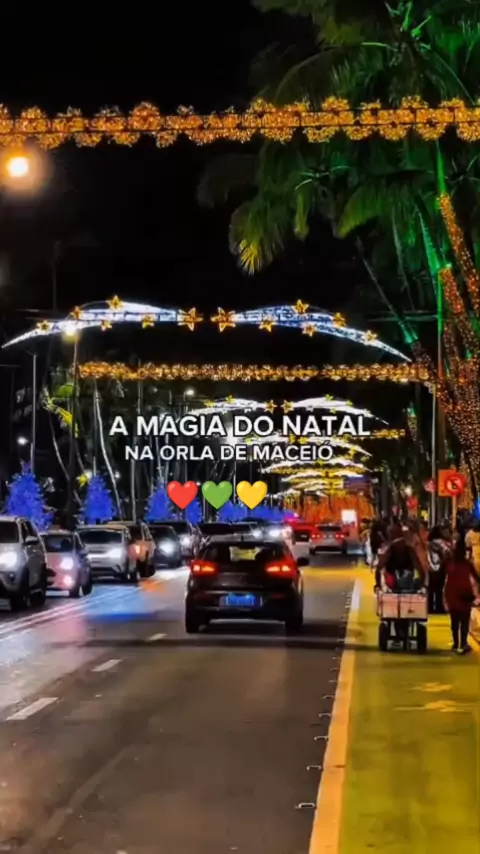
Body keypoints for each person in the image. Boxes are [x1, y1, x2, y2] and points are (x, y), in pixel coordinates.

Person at [443, 539, 480, 653]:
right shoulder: (466, 563)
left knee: (457, 620)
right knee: (463, 620)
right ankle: (462, 643)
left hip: (456, 594)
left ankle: (458, 643)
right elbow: (477, 577)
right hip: (462, 594)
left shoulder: (450, 562)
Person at [427, 525, 451, 614]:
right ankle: (439, 607)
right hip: (441, 567)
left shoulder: (428, 543)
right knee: (439, 589)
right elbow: (448, 553)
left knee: (431, 589)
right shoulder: (442, 543)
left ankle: (429, 607)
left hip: (430, 567)